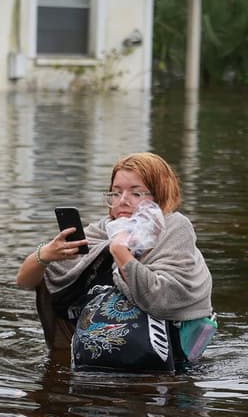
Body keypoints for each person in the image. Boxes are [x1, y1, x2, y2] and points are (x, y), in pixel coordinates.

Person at [15, 152, 213, 364]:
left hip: (163, 363)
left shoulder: (174, 228)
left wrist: (120, 251)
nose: (123, 201)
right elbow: (24, 281)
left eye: (136, 194)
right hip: (96, 355)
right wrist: (45, 255)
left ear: (159, 194)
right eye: (116, 193)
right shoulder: (102, 230)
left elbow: (163, 297)